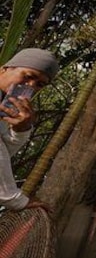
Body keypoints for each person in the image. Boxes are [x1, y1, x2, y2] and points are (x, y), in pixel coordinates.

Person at [0, 48, 58, 212]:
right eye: (27, 76)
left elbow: (4, 151)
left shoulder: (6, 106)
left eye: (39, 84)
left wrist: (21, 130)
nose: (31, 86)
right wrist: (16, 200)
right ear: (4, 69)